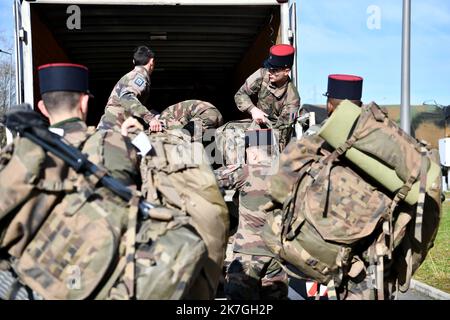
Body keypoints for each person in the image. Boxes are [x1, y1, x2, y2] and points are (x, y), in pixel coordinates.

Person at [0, 63, 139, 300]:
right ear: (84, 103)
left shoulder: (19, 153)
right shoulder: (112, 143)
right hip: (96, 280)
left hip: (28, 285)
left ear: (43, 108)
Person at [234, 44, 301, 151]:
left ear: (286, 71)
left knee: (250, 144)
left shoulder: (292, 99)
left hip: (275, 136)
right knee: (226, 133)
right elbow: (240, 94)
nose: (270, 73)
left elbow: (281, 134)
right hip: (257, 125)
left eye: (274, 70)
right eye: (269, 68)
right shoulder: (262, 74)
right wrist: (253, 110)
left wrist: (254, 139)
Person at [97, 46, 161, 132]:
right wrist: (151, 119)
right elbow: (127, 98)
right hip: (115, 127)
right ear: (152, 61)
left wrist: (153, 114)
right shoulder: (138, 76)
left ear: (133, 61)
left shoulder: (132, 75)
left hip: (113, 124)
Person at [159, 99, 224, 141]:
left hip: (203, 115)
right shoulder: (210, 116)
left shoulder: (211, 117)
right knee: (182, 136)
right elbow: (189, 130)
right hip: (169, 116)